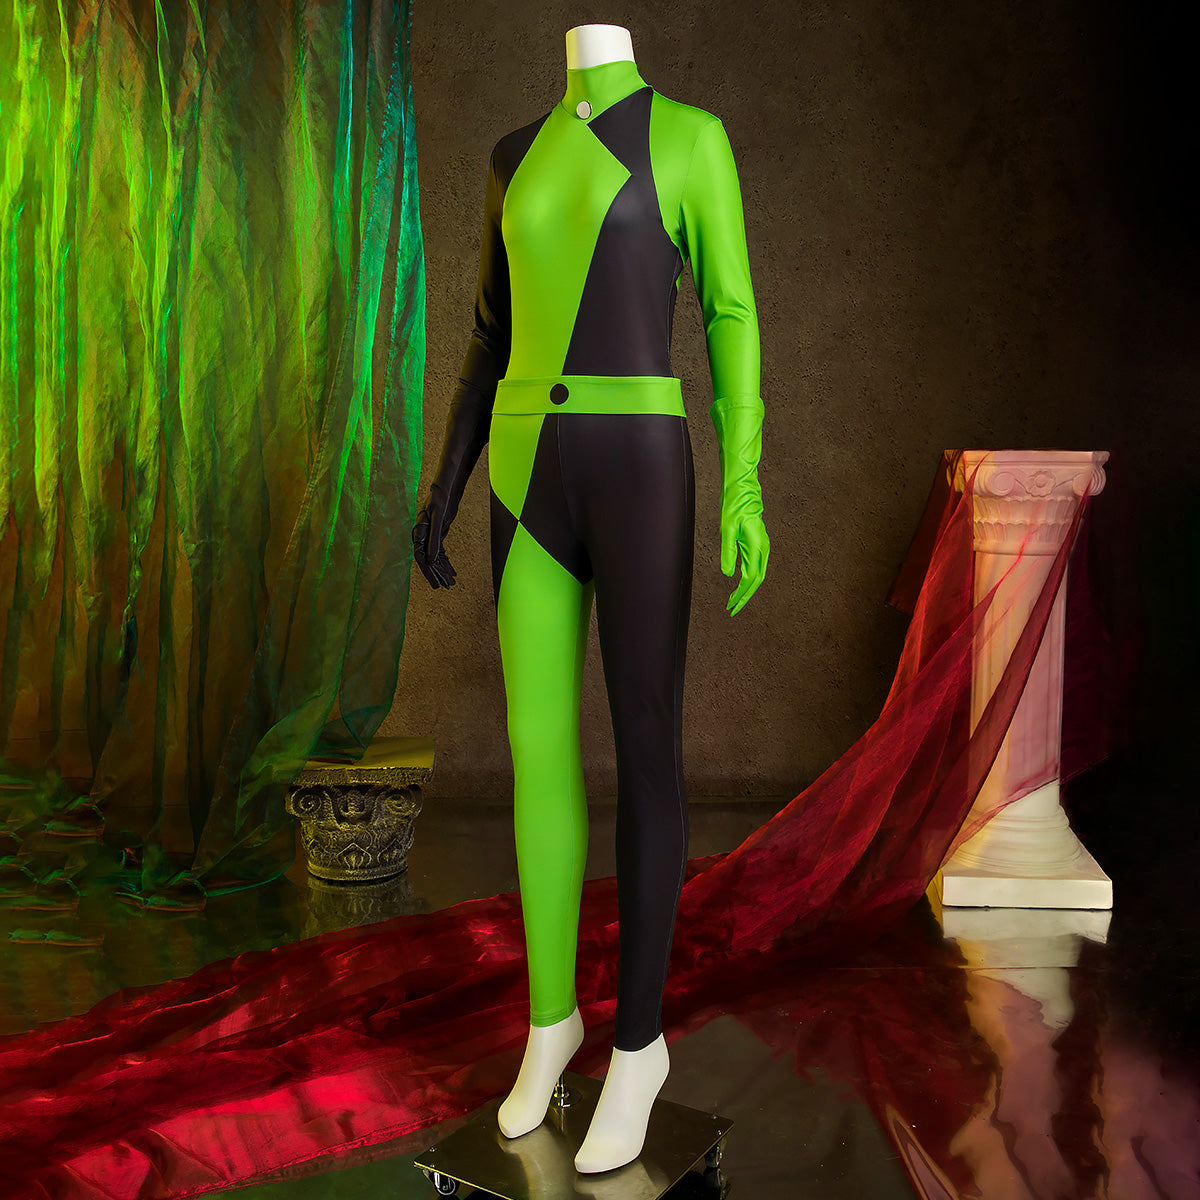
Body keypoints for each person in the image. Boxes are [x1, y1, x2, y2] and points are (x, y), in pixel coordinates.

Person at [412, 21, 768, 1173]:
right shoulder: (511, 156)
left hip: (639, 467)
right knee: (537, 751)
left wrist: (745, 480)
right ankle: (550, 1024)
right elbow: (488, 332)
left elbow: (730, 313)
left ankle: (640, 1046)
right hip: (525, 471)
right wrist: (445, 483)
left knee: (646, 742)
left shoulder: (691, 137)